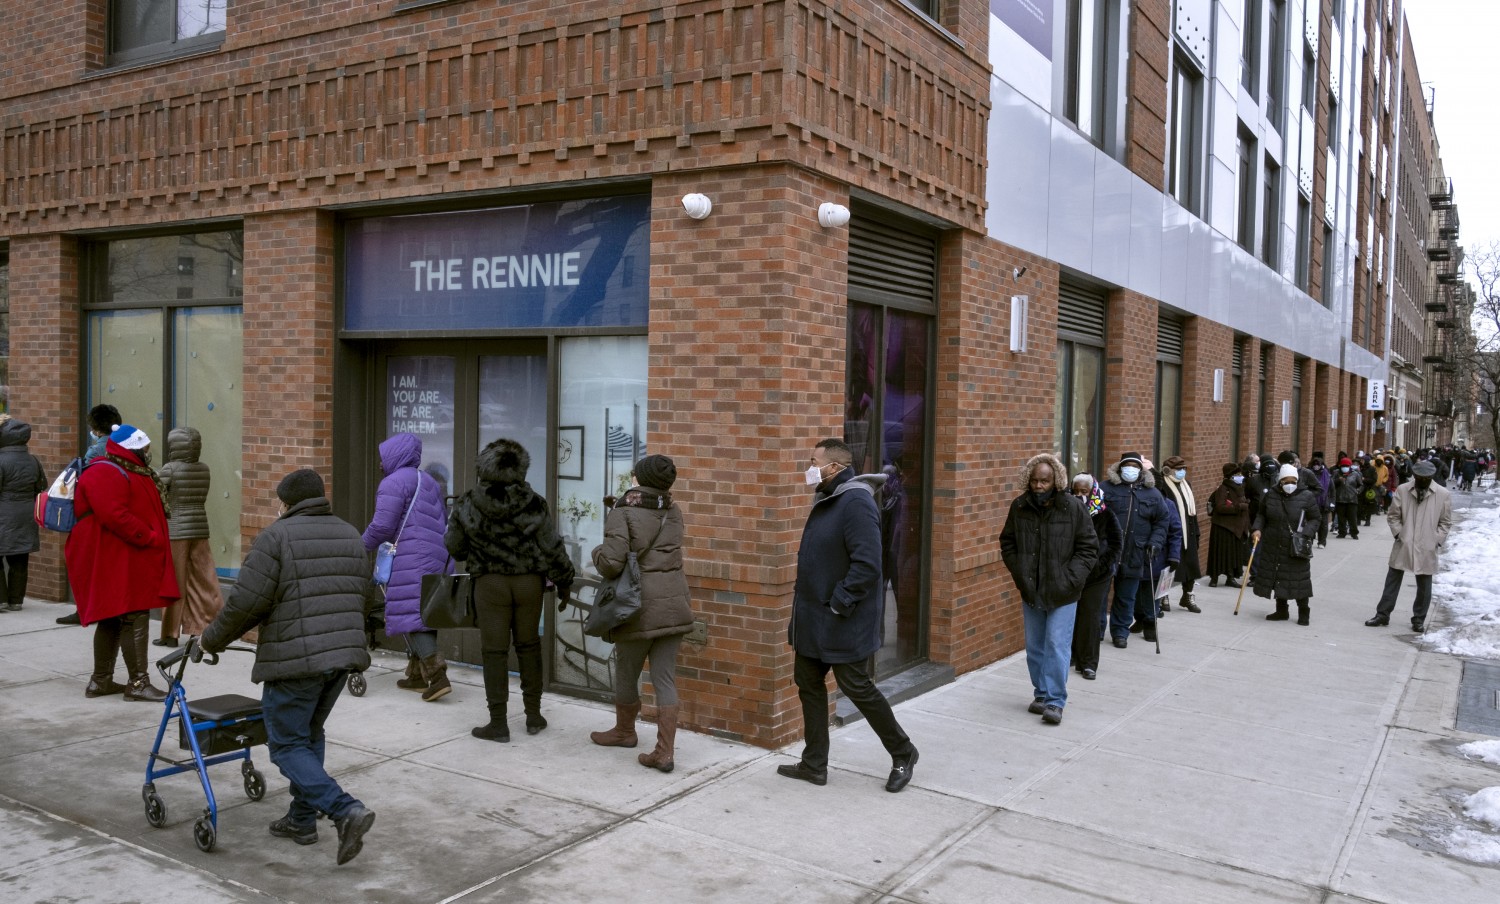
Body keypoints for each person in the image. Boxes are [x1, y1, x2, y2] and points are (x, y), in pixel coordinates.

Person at [197, 468, 376, 865]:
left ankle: (344, 810)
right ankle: (301, 820)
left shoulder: (276, 537)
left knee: (286, 745)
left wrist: (209, 640)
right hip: (342, 658)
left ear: (286, 503)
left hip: (296, 661)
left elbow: (245, 604)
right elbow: (366, 597)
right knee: (309, 734)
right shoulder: (350, 534)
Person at [778, 438, 918, 791]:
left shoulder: (855, 501)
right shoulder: (829, 498)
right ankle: (814, 764)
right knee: (809, 685)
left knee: (857, 687)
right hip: (813, 619)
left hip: (841, 619)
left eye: (814, 462)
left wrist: (839, 603)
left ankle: (904, 752)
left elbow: (867, 564)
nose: (810, 468)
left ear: (835, 467)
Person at [445, 438, 574, 742]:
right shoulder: (534, 502)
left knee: (494, 652)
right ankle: (534, 716)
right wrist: (565, 580)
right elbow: (552, 547)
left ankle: (498, 724)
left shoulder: (467, 503)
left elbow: (455, 547)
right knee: (529, 646)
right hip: (529, 582)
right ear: (521, 469)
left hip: (490, 584)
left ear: (483, 468)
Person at [588, 454, 694, 773]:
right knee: (664, 677)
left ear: (640, 479)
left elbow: (611, 563)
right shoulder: (673, 510)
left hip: (636, 605)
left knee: (626, 671)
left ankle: (624, 732)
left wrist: (597, 552)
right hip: (674, 604)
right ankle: (665, 752)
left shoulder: (624, 511)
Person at [65, 425, 178, 701]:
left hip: (120, 553)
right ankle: (138, 683)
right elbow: (114, 514)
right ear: (132, 448)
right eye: (144, 447)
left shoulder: (127, 468)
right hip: (115, 554)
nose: (148, 452)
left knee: (113, 615)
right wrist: (148, 536)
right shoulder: (106, 471)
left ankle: (100, 681)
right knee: (134, 613)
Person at [999, 453, 1096, 727]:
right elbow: (1007, 543)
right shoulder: (1020, 507)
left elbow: (1089, 548)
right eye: (1034, 481)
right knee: (1035, 647)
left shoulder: (1072, 508)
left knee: (1056, 644)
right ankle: (1040, 693)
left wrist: (1070, 579)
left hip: (1063, 591)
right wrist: (1020, 573)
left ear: (1056, 481)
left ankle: (1055, 701)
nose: (1039, 486)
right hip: (1032, 589)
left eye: (1044, 481)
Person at [363, 432, 453, 702]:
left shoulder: (392, 483)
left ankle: (437, 676)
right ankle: (417, 675)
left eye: (383, 457)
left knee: (412, 614)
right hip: (435, 554)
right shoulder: (428, 480)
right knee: (424, 612)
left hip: (412, 556)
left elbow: (382, 526)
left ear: (395, 455)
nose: (380, 463)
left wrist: (359, 546)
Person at [1364, 459, 1452, 633]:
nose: (1422, 481)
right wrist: (1399, 534)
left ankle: (1419, 619)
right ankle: (1382, 614)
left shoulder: (1443, 494)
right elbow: (1393, 516)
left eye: (1426, 478)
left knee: (1424, 585)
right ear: (1415, 476)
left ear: (1431, 477)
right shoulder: (1403, 490)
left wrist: (1436, 540)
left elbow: (1445, 522)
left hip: (1427, 545)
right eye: (1419, 478)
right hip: (1404, 542)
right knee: (1392, 580)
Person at [154, 427, 224, 647]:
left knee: (174, 582)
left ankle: (170, 634)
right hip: (199, 528)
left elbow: (156, 493)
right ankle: (203, 628)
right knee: (203, 580)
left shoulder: (170, 469)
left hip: (176, 531)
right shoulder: (204, 469)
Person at [56, 403, 123, 626]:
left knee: (87, 566)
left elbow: (83, 482)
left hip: (93, 515)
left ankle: (85, 609)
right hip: (118, 512)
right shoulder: (126, 446)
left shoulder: (95, 451)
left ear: (96, 428)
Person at [1100, 452, 1170, 648]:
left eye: (1134, 466)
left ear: (1141, 469)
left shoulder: (1152, 494)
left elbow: (1162, 521)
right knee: (1099, 595)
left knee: (1126, 596)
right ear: (1120, 467)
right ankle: (1096, 631)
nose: (1130, 469)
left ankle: (1120, 632)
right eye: (1127, 465)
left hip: (1136, 552)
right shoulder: (1105, 488)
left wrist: (1155, 542)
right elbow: (1093, 514)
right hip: (1107, 552)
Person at [1250, 464, 1320, 625]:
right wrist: (1257, 529)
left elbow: (1315, 518)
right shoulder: (1271, 495)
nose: (1290, 484)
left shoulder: (1306, 496)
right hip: (1273, 543)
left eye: (1293, 481)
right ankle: (1281, 610)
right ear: (1280, 481)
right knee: (1278, 578)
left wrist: (1305, 534)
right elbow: (1262, 514)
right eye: (1286, 481)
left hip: (1296, 545)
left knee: (1299, 580)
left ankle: (1304, 611)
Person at [1068, 473, 1120, 682]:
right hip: (1072, 574)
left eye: (1084, 491)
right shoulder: (1066, 513)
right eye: (1076, 491)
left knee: (1090, 617)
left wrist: (1101, 565)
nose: (1080, 495)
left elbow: (1116, 544)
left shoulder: (1105, 514)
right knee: (1070, 616)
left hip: (1097, 576)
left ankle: (1088, 663)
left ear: (1093, 492)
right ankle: (1072, 655)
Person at [0, 416, 48, 612]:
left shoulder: (1, 460)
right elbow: (42, 486)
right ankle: (16, 601)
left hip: (3, 513)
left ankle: (1, 600)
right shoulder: (33, 460)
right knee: (20, 558)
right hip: (27, 513)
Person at [1158, 456, 1202, 613]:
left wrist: (1196, 533)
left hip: (1189, 532)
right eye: (1178, 469)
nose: (1182, 471)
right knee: (1169, 565)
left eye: (1184, 469)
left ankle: (1187, 596)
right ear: (1167, 470)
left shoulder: (1186, 485)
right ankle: (1163, 596)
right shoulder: (1162, 486)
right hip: (1171, 533)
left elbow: (1192, 512)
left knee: (1191, 566)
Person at [1205, 462, 1250, 587]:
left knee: (1232, 555)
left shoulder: (1240, 489)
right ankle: (1214, 578)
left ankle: (1230, 577)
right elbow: (1220, 507)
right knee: (1219, 553)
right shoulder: (1223, 489)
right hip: (1222, 527)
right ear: (1230, 476)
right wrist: (1239, 507)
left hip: (1236, 528)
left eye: (1240, 474)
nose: (1240, 476)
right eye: (1237, 474)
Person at [1333, 457, 1362, 539]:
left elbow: (1361, 485)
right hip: (1340, 498)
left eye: (1346, 466)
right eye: (1343, 466)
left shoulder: (1355, 474)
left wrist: (1358, 491)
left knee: (1352, 517)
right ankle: (1342, 532)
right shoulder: (1336, 473)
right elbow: (1331, 483)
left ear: (1350, 466)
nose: (1344, 467)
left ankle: (1354, 533)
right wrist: (1338, 480)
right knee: (1341, 518)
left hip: (1352, 499)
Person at [1308, 455, 1334, 547]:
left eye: (1318, 464)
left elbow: (1332, 491)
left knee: (1323, 524)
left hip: (1324, 504)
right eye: (1314, 464)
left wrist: (1332, 503)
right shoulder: (1309, 474)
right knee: (1311, 523)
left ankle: (1322, 541)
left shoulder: (1327, 476)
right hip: (1312, 503)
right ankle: (1310, 540)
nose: (1316, 466)